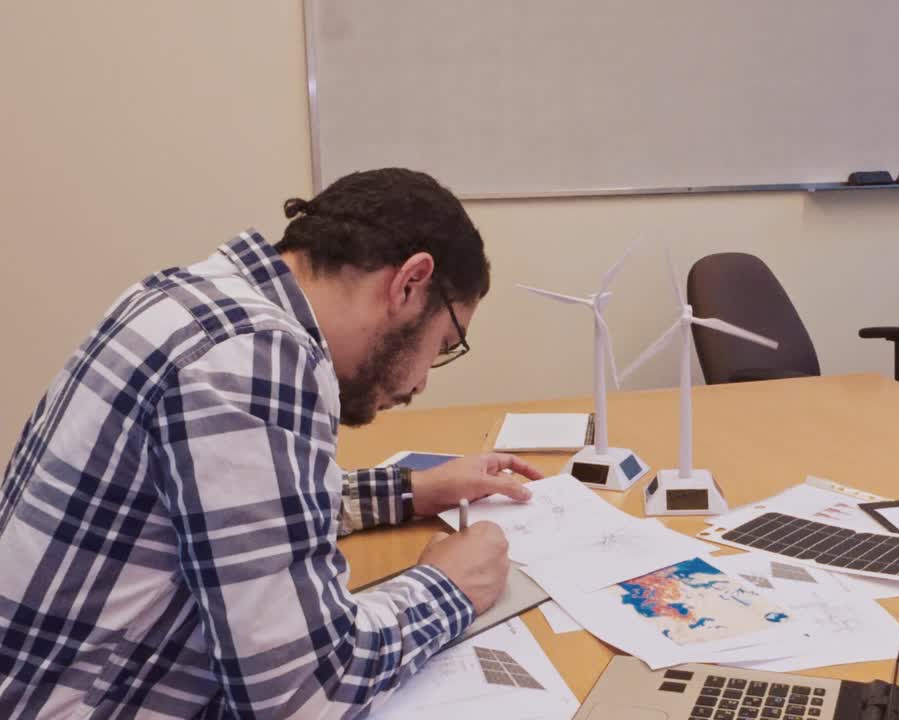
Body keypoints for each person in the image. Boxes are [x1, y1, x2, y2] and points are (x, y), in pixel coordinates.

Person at [0, 168, 544, 717]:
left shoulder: (194, 299)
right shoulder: (253, 357)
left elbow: (236, 515)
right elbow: (306, 695)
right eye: (444, 344)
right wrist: (451, 586)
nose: (422, 382)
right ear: (410, 283)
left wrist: (410, 491)